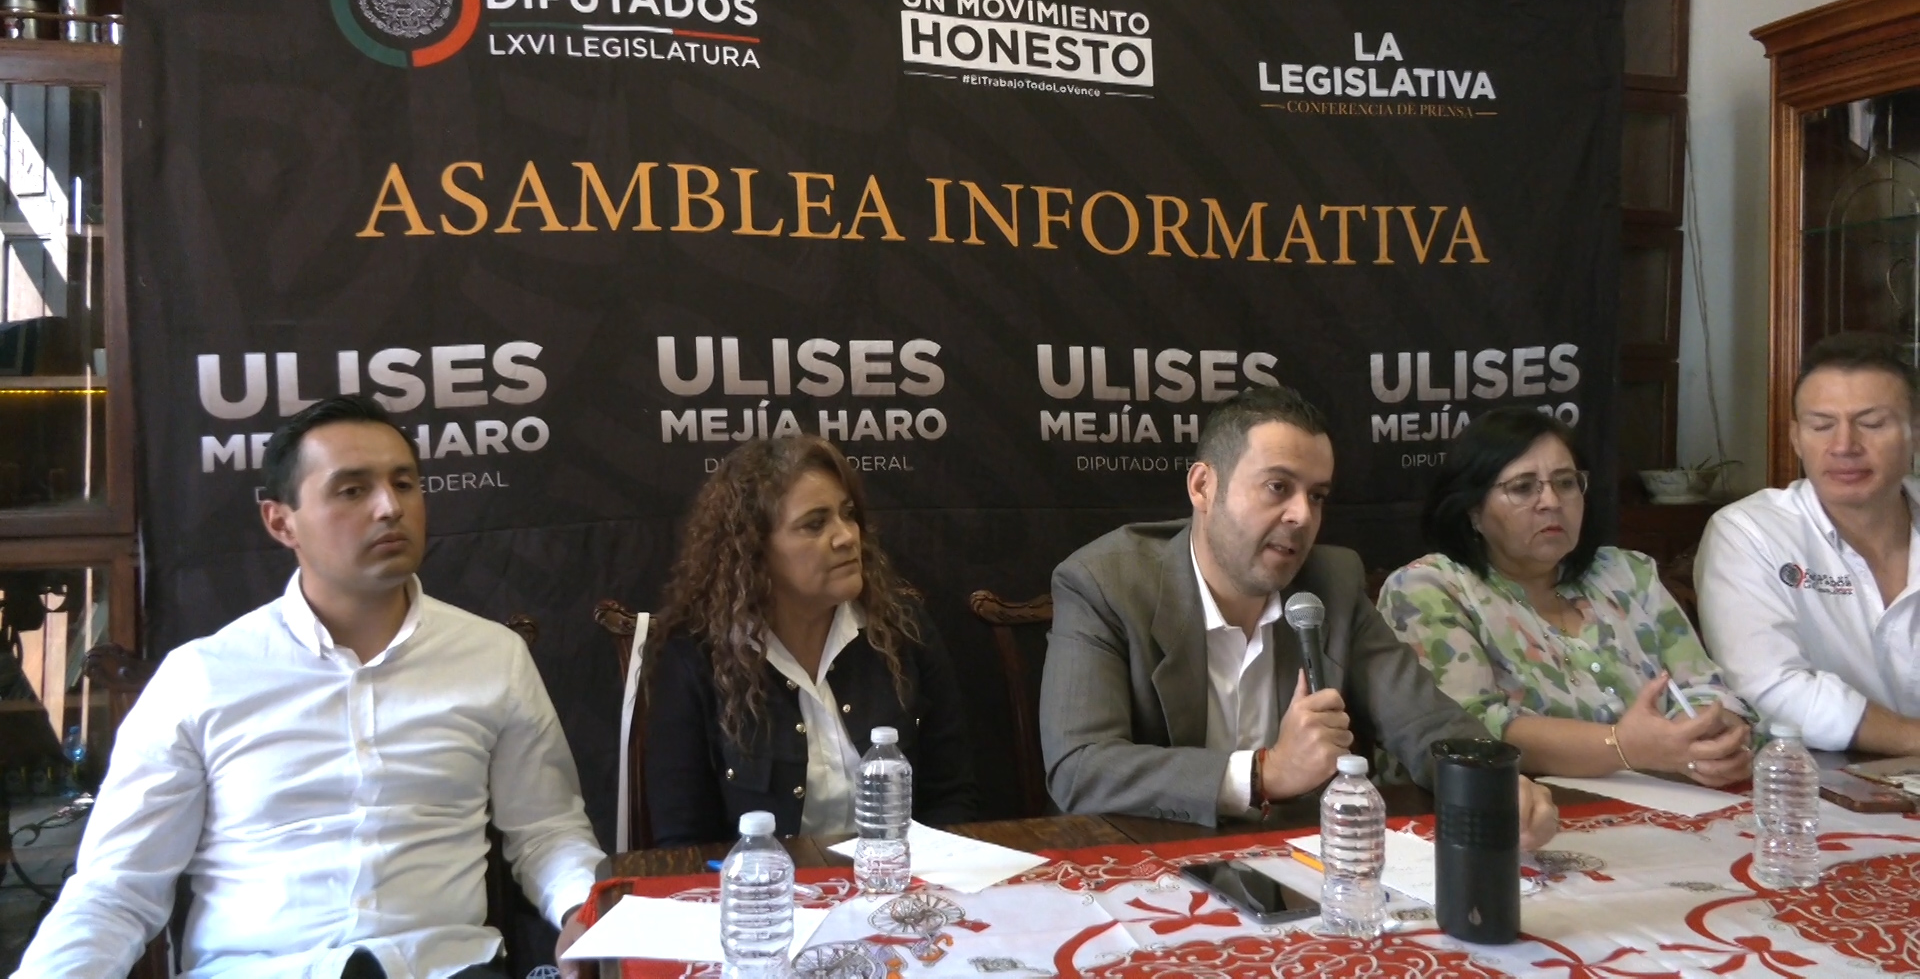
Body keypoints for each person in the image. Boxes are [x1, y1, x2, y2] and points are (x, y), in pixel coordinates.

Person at [17, 395, 605, 979]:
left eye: (403, 484)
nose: (389, 508)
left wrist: (585, 911)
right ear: (281, 522)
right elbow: (116, 889)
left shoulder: (492, 658)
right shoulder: (202, 677)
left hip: (444, 969)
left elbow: (547, 832)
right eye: (352, 490)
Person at [1038, 385, 1558, 846]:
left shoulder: (1331, 582)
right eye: (1277, 487)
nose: (1303, 515)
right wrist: (1264, 773)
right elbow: (1080, 767)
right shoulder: (1105, 583)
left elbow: (1424, 720)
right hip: (1151, 862)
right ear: (1202, 487)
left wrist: (1490, 781)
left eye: (1318, 495)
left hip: (1298, 864)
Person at [1377, 407, 1753, 785]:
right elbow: (1470, 727)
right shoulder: (1429, 589)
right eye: (1523, 487)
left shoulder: (1628, 574)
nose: (1552, 501)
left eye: (1566, 483)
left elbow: (1705, 688)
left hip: (1671, 795)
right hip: (1520, 803)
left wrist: (1705, 739)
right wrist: (1622, 746)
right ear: (1473, 510)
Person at [643, 435, 976, 846]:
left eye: (847, 514)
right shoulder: (697, 656)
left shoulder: (903, 629)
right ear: (755, 550)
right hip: (763, 885)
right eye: (815, 524)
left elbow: (951, 798)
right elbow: (684, 840)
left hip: (897, 878)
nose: (846, 536)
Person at [1697, 332, 1920, 754]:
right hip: (1809, 778)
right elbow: (1770, 686)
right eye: (1822, 426)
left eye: (1872, 424)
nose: (1844, 446)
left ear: (1916, 432)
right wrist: (1912, 738)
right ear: (1797, 438)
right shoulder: (1750, 531)